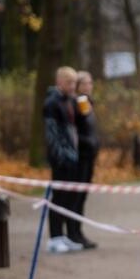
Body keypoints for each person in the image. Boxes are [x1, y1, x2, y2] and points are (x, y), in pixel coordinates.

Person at [42, 65, 82, 254]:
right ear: (59, 82)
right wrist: (61, 156)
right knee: (58, 197)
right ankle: (55, 237)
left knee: (69, 198)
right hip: (61, 159)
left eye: (74, 82)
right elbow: (52, 134)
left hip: (72, 156)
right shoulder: (52, 103)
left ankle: (64, 235)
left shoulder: (69, 100)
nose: (72, 86)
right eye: (69, 82)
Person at [68, 70, 99, 250]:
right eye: (85, 83)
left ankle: (78, 231)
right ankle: (72, 233)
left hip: (90, 156)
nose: (88, 86)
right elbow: (76, 131)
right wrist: (87, 142)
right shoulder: (76, 103)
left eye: (90, 83)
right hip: (80, 157)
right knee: (76, 197)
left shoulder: (87, 103)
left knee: (82, 197)